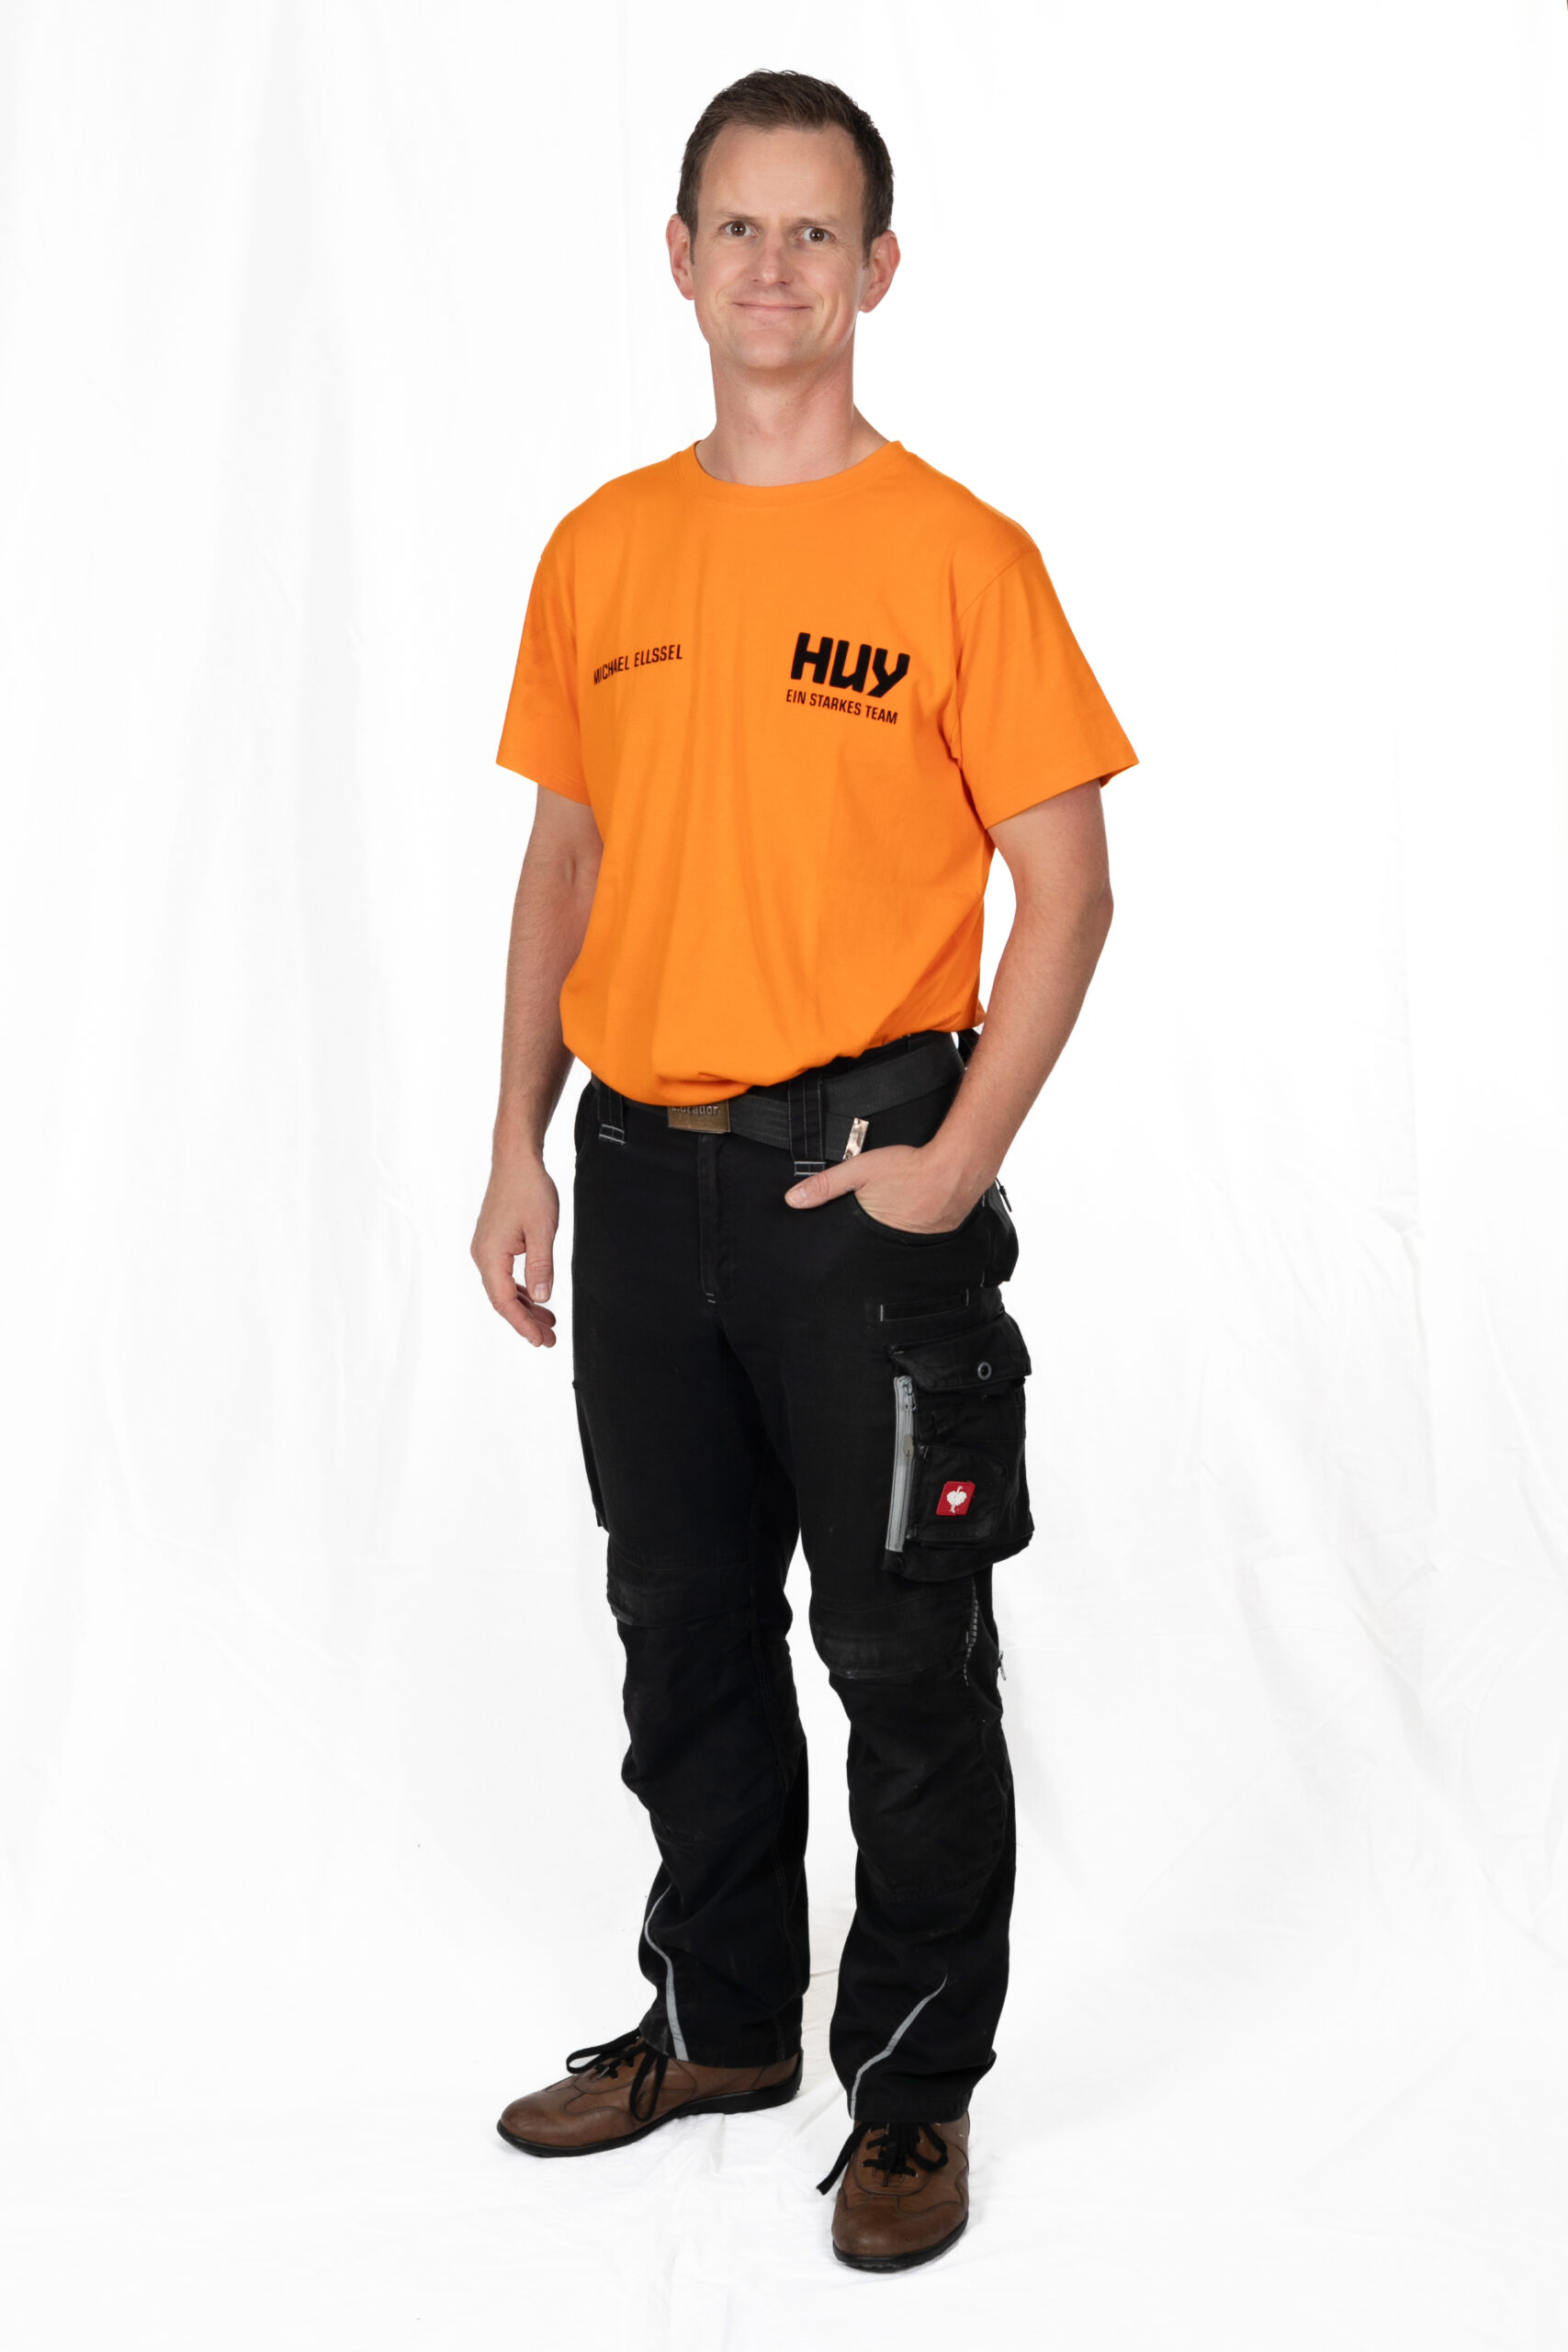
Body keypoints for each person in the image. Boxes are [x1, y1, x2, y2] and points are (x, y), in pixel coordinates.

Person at [472, 67, 1136, 2273]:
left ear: (877, 266)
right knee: (678, 1624)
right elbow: (561, 860)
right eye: (736, 228)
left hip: (858, 1179)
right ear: (678, 260)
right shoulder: (600, 550)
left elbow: (1067, 886)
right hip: (631, 1172)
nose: (773, 267)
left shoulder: (958, 555)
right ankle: (720, 2020)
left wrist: (956, 1158)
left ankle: (913, 2086)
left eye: (813, 230)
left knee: (898, 1647)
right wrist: (512, 1144)